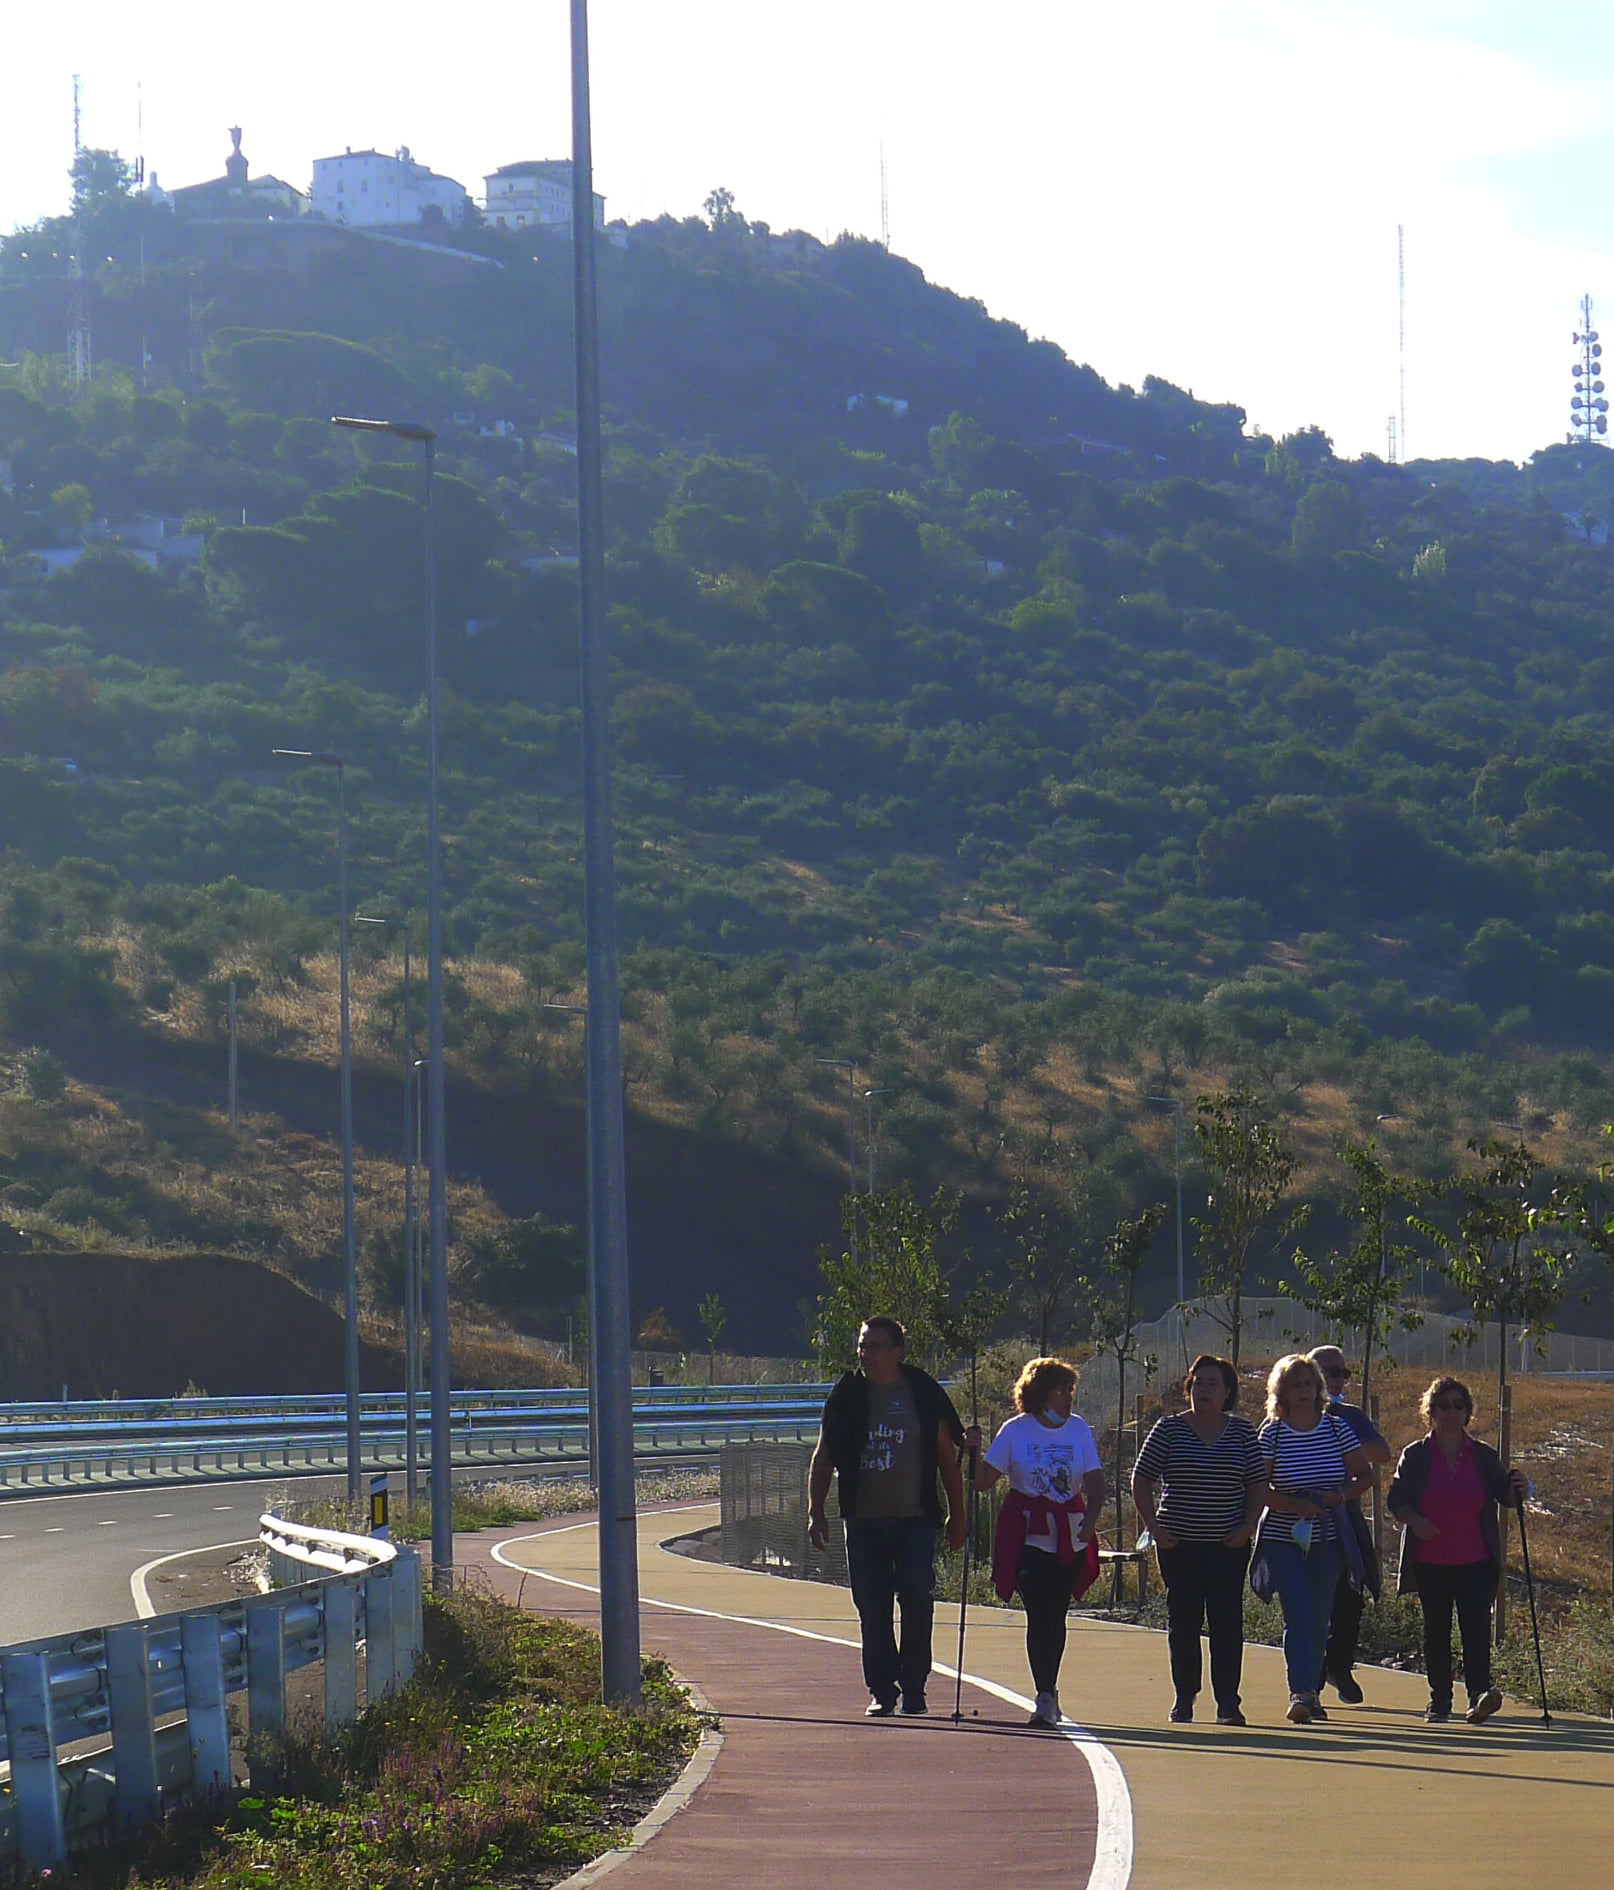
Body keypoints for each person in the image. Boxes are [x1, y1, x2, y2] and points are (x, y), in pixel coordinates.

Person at [808, 1316, 967, 1716]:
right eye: (863, 1345)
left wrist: (957, 1514)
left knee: (916, 1597)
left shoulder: (921, 1392)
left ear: (897, 1351)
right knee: (872, 1608)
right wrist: (816, 1511)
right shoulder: (846, 1396)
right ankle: (882, 1690)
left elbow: (947, 1458)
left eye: (875, 1346)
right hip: (862, 1522)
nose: (866, 1354)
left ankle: (914, 1687)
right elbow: (824, 1456)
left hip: (915, 1519)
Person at [1386, 1375, 1529, 1725]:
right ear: (1431, 1412)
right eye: (1443, 1405)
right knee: (1435, 1631)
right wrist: (1415, 1521)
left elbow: (1506, 1496)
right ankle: (1439, 1701)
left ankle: (1479, 1695)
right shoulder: (1416, 1455)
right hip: (1430, 1560)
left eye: (1458, 1405)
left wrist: (1521, 1489)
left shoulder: (1481, 1456)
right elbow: (1396, 1497)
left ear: (1468, 1413)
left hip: (1476, 1559)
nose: (1451, 1411)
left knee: (1476, 1628)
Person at [1132, 1353, 1265, 1726]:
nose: (1204, 1390)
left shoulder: (1242, 1432)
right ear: (1188, 1388)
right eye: (1198, 1382)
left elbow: (1257, 1484)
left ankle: (1228, 1702)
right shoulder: (1168, 1429)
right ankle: (1184, 1697)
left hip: (1228, 1545)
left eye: (1213, 1384)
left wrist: (1248, 1526)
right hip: (1179, 1545)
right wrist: (1154, 1528)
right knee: (1184, 1622)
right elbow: (1141, 1481)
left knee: (1227, 1623)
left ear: (1227, 1393)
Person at [974, 1356, 1105, 1728]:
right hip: (1029, 1537)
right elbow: (983, 1480)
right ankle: (1044, 1693)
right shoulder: (1015, 1431)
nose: (1068, 1397)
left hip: (1071, 1536)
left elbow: (1095, 1482)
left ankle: (1050, 1688)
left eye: (1070, 1390)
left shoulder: (1078, 1430)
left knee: (1057, 1614)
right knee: (1039, 1612)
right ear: (1040, 1393)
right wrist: (970, 1452)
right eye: (1061, 1390)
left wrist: (1091, 1520)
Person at [1253, 1352, 1372, 1725]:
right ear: (1281, 1391)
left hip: (1329, 1535)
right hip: (1282, 1536)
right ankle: (1300, 1690)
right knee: (1298, 1612)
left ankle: (1312, 1692)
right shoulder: (1271, 1433)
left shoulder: (1337, 1429)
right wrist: (1292, 1504)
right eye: (1295, 1385)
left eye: (1309, 1384)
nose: (1303, 1391)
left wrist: (1339, 1497)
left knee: (1319, 1617)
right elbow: (1257, 1487)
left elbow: (1364, 1476)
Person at [1307, 1345, 1392, 1704]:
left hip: (1344, 1517)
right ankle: (1307, 1680)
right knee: (1306, 1603)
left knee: (1350, 1596)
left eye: (1343, 1373)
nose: (1339, 1379)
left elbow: (1382, 1453)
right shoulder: (1287, 1414)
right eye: (1331, 1371)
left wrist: (1335, 1439)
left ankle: (1339, 1664)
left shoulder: (1351, 1416)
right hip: (1300, 1519)